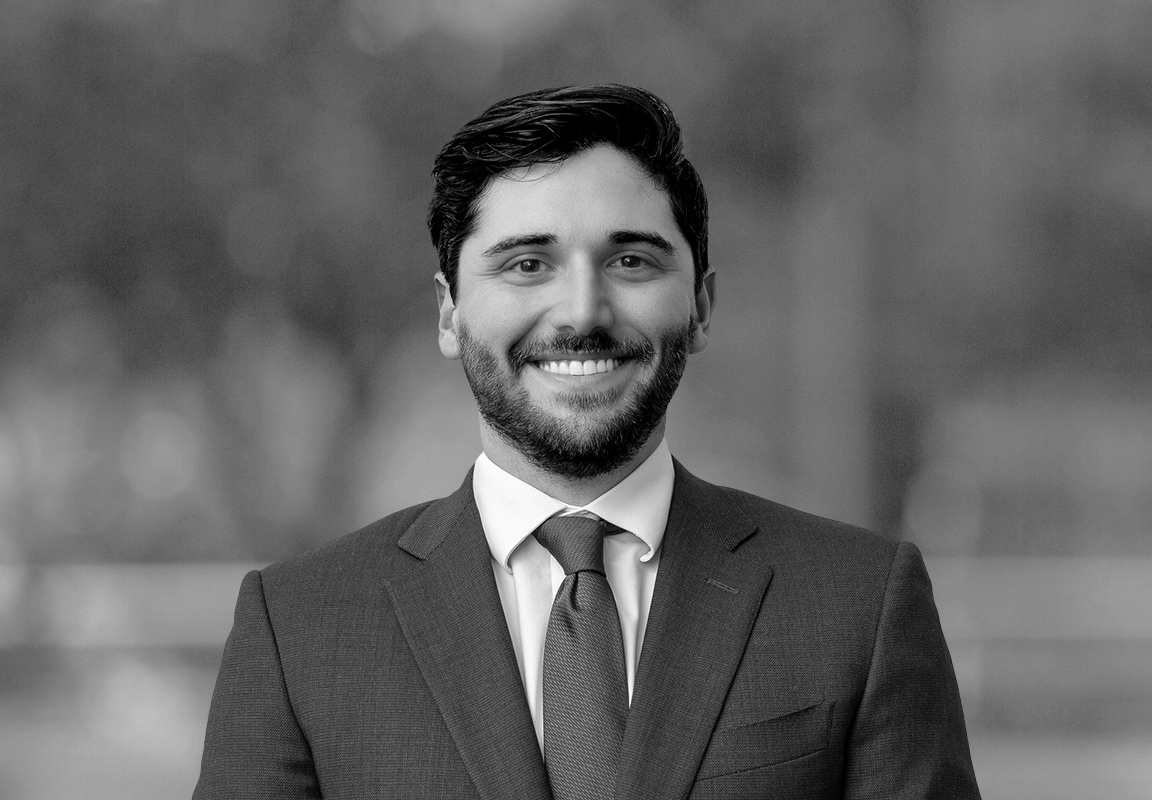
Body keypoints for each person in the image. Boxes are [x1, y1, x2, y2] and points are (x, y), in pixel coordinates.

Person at [194, 84, 981, 800]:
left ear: (701, 306)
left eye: (630, 260)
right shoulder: (298, 630)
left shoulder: (860, 606)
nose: (582, 311)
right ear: (449, 311)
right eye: (527, 263)